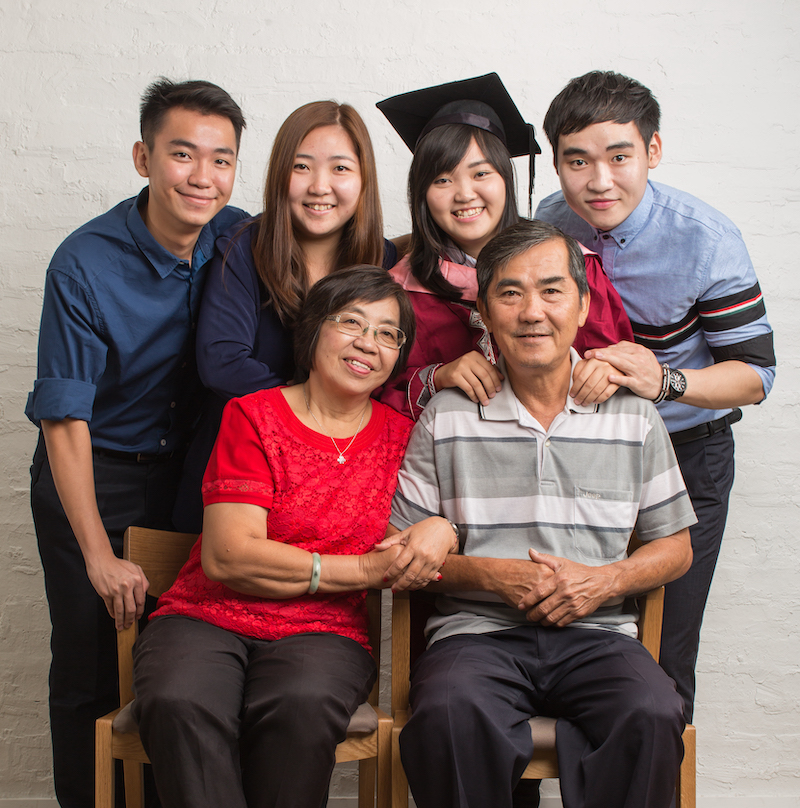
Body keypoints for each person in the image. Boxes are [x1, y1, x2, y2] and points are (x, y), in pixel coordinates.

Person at [387, 220, 697, 808]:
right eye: (510, 293)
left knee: (653, 710)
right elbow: (402, 552)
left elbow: (675, 546)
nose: (532, 312)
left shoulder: (631, 416)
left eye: (552, 291)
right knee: (449, 713)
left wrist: (605, 581)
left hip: (599, 636)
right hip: (475, 637)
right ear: (482, 310)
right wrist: (492, 577)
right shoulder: (448, 413)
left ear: (583, 305)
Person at [132, 267, 457, 808]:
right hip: (205, 617)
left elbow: (450, 516)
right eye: (350, 322)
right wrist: (359, 572)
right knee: (178, 699)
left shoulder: (408, 437)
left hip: (325, 632)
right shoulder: (253, 416)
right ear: (312, 332)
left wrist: (444, 527)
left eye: (387, 333)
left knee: (301, 705)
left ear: (399, 355)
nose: (367, 344)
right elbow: (229, 556)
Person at [25, 78, 247, 808]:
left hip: (188, 477)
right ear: (143, 157)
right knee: (91, 664)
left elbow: (334, 246)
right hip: (96, 471)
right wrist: (97, 552)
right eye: (183, 154)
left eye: (221, 159)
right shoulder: (83, 263)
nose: (202, 176)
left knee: (171, 665)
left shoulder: (237, 235)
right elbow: (65, 422)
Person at [534, 70, 776, 724]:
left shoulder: (705, 238)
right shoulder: (551, 224)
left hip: (684, 459)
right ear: (556, 161)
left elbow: (755, 376)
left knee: (662, 658)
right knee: (580, 653)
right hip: (583, 464)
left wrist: (665, 379)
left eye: (619, 157)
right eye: (577, 161)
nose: (599, 180)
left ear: (653, 151)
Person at [173, 100, 398, 533]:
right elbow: (223, 362)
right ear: (280, 175)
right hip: (235, 475)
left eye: (340, 169)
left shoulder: (384, 261)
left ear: (364, 179)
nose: (319, 186)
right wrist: (311, 413)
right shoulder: (244, 247)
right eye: (302, 167)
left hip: (333, 481)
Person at [375, 74, 633, 420]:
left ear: (505, 179)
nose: (465, 194)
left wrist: (608, 372)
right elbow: (373, 392)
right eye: (442, 179)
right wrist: (439, 377)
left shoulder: (571, 266)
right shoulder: (401, 291)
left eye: (481, 173)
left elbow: (622, 363)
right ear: (421, 194)